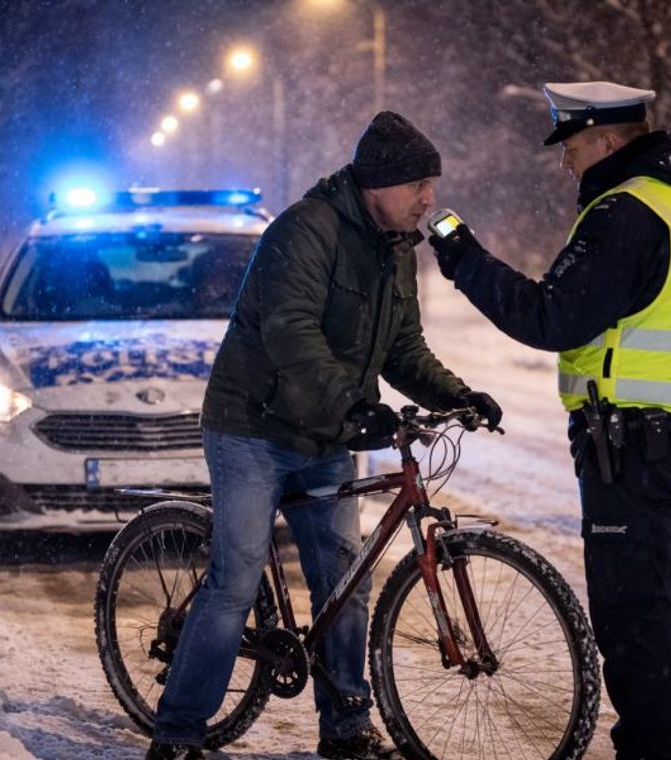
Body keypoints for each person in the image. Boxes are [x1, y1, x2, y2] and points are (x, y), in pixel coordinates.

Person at [147, 111, 503, 760]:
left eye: (433, 184)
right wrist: (354, 407)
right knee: (234, 581)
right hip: (251, 427)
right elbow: (292, 336)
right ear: (377, 184)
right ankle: (176, 735)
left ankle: (345, 730)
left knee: (345, 583)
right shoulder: (303, 231)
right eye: (418, 185)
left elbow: (402, 348)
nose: (430, 199)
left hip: (325, 436)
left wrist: (455, 394)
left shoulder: (398, 250)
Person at [427, 81, 671, 760]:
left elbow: (553, 316)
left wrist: (466, 259)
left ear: (608, 140)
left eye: (571, 147)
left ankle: (654, 748)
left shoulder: (625, 213)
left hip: (630, 448)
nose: (566, 163)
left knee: (635, 608)